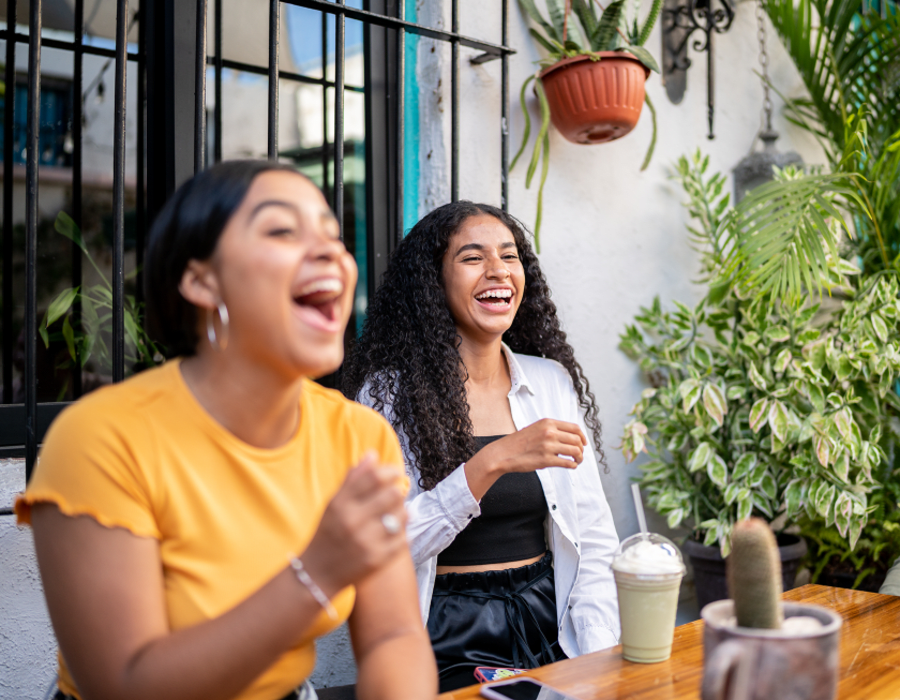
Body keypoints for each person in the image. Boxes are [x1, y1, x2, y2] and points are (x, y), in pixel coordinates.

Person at [15, 161, 437, 700]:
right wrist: (315, 573)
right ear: (200, 280)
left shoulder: (358, 434)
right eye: (282, 230)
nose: (332, 251)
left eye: (333, 235)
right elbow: (123, 684)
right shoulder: (101, 438)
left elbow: (393, 635)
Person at [342, 201, 620, 692]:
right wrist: (490, 462)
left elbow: (593, 537)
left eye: (509, 257)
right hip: (446, 626)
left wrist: (597, 657)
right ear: (434, 283)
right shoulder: (387, 396)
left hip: (549, 616)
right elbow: (382, 550)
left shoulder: (550, 382)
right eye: (472, 258)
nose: (498, 271)